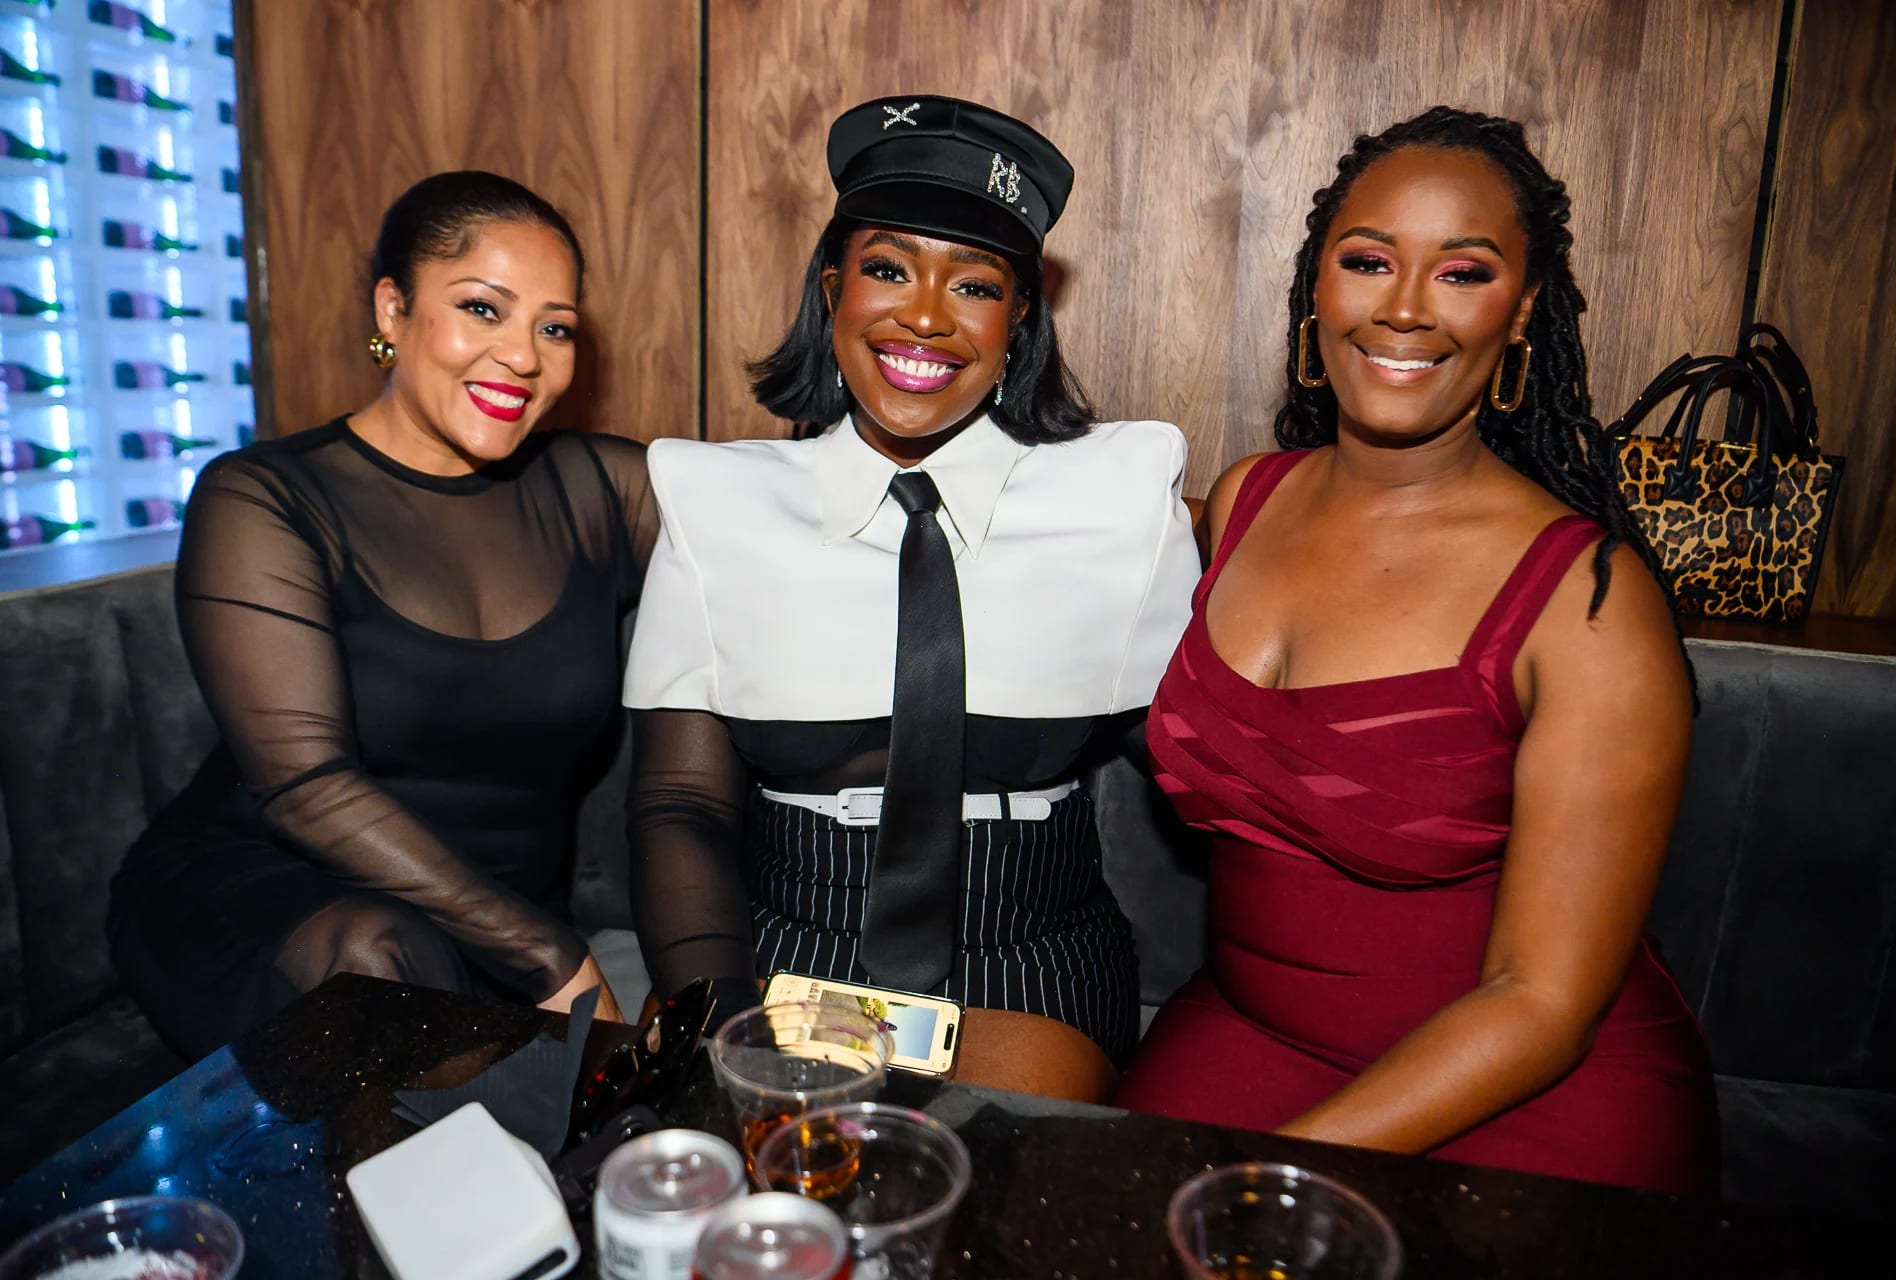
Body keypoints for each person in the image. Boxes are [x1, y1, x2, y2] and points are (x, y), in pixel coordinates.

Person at [1113, 107, 1717, 1194]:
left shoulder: (1589, 602)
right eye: (1368, 261)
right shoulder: (1246, 500)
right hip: (1249, 1033)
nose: (1403, 308)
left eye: (1462, 272)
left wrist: (1270, 1180)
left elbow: (1542, 1003)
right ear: (1318, 286)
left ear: (1521, 310)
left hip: (1519, 1083)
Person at [622, 96, 1199, 1100]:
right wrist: (723, 1022)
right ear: (832, 288)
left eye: (975, 284)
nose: (926, 316)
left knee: (1000, 1158)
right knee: (767, 1167)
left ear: (1020, 316)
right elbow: (682, 803)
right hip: (785, 957)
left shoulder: (1121, 494)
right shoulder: (716, 501)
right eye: (888, 268)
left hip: (1032, 959)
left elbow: (1213, 770)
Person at [108, 171, 653, 1058]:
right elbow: (304, 788)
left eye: (554, 327)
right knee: (377, 964)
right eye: (482, 309)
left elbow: (779, 532)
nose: (524, 356)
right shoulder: (265, 497)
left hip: (492, 918)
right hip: (279, 897)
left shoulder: (602, 490)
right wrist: (552, 957)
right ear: (392, 310)